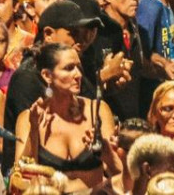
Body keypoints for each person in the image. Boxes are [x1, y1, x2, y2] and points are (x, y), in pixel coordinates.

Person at [15, 42, 120, 192]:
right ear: (47, 75)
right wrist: (34, 130)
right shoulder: (28, 118)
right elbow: (22, 178)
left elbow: (118, 174)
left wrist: (106, 151)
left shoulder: (97, 110)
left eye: (78, 67)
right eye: (69, 68)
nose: (78, 75)